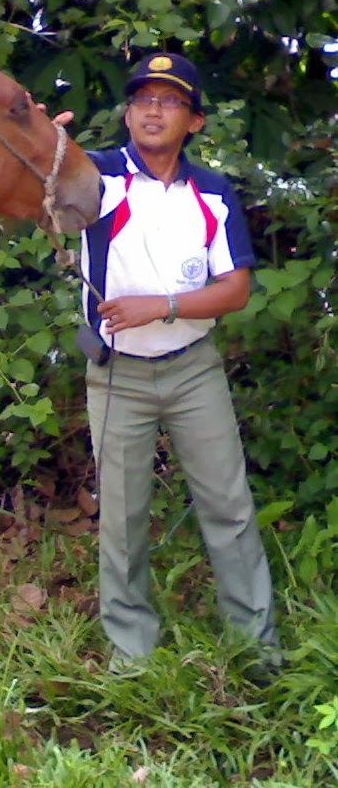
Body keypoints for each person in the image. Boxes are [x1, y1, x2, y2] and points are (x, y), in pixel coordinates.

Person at [62, 53, 280, 674]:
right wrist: (45, 147)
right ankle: (131, 654)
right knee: (123, 518)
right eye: (142, 99)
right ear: (127, 113)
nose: (153, 109)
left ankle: (256, 647)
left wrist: (161, 305)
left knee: (229, 507)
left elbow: (235, 289)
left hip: (193, 369)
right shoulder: (99, 177)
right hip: (117, 375)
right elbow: (45, 190)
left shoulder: (211, 190)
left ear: (195, 122)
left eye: (169, 100)